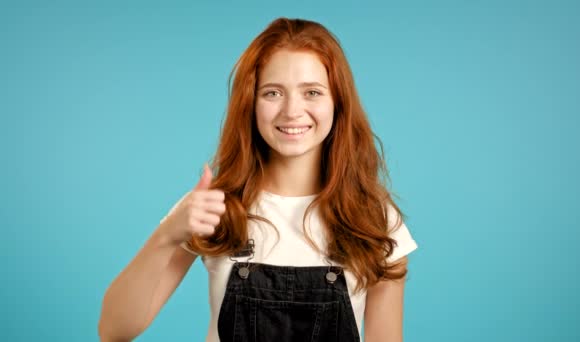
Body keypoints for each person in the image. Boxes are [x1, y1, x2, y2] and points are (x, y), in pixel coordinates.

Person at [98, 17, 418, 342]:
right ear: (250, 103)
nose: (292, 111)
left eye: (312, 92)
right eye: (273, 93)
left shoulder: (374, 218)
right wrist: (166, 236)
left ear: (338, 103)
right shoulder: (215, 207)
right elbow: (113, 330)